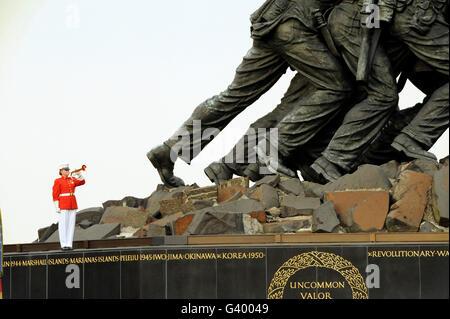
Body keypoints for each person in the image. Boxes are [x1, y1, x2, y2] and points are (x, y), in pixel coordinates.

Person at [147, 0, 353, 188]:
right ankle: (271, 152)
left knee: (232, 97)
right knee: (337, 87)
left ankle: (170, 150)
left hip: (273, 21)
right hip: (297, 26)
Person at [52, 164, 85, 251]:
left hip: (72, 203)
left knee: (71, 225)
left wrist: (79, 174)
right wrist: (57, 206)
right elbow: (55, 194)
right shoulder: (58, 181)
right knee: (63, 225)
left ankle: (69, 244)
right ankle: (63, 244)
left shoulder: (72, 179)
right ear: (61, 171)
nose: (67, 171)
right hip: (63, 203)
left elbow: (82, 182)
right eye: (65, 170)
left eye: (68, 170)